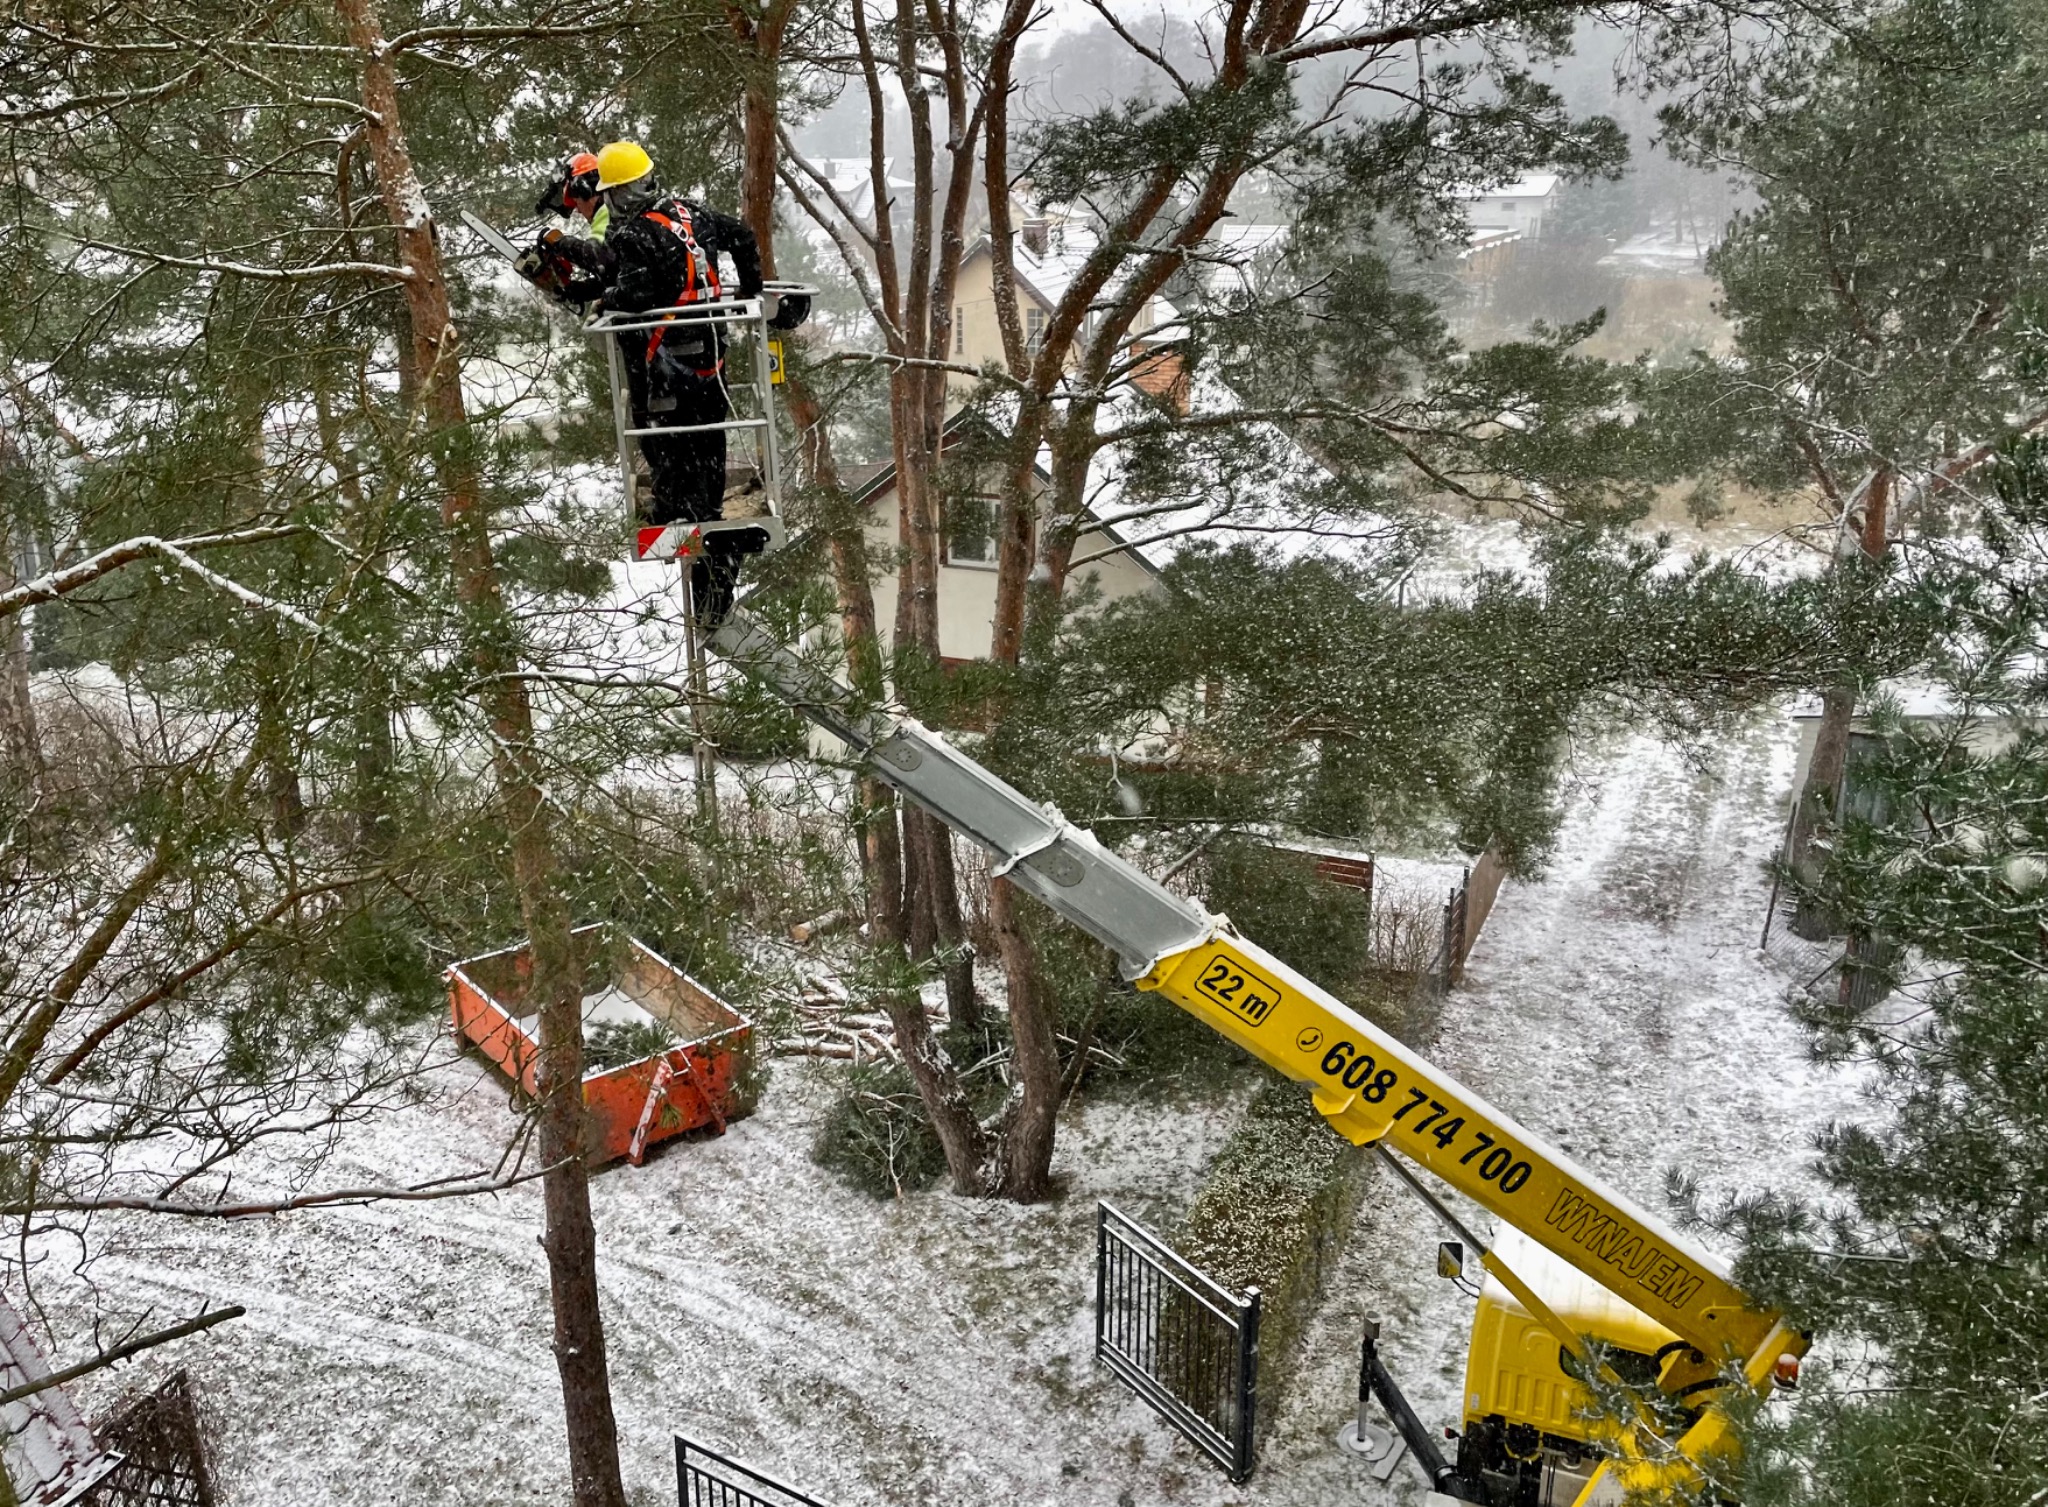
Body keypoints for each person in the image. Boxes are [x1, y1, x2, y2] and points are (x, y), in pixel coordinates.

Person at [589, 140, 765, 624]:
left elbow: (637, 294)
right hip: (710, 354)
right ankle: (710, 543)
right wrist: (751, 290)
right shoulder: (692, 214)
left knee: (668, 441)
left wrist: (607, 298)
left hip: (671, 364)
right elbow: (743, 235)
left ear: (619, 194)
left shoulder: (634, 235)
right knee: (708, 440)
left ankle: (681, 515)